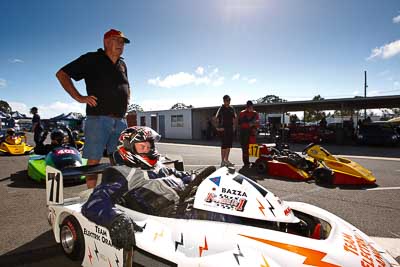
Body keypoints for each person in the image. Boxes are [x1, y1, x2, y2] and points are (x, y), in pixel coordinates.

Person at [81, 126, 217, 250]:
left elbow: (185, 176)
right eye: (142, 147)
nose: (148, 150)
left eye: (149, 146)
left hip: (189, 202)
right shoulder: (121, 173)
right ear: (128, 149)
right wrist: (114, 218)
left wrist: (203, 178)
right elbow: (96, 201)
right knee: (216, 215)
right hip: (168, 218)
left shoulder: (160, 167)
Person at [56, 29, 131, 189]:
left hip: (120, 120)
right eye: (116, 40)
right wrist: (80, 97)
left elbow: (126, 85)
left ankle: (118, 192)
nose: (120, 45)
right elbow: (62, 74)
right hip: (98, 119)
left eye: (122, 42)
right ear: (106, 42)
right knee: (94, 160)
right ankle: (91, 196)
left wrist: (127, 99)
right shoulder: (92, 59)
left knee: (119, 159)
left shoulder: (122, 64)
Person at [213, 95, 237, 167]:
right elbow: (214, 118)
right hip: (223, 130)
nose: (228, 101)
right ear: (224, 101)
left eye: (229, 100)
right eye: (227, 100)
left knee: (229, 146)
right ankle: (222, 161)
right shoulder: (221, 109)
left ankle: (226, 160)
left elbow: (235, 118)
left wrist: (234, 127)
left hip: (230, 129)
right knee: (224, 146)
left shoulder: (232, 108)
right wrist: (217, 127)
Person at [238, 100, 259, 167]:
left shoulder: (255, 113)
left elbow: (257, 123)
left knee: (253, 146)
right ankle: (246, 163)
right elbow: (240, 123)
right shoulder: (242, 113)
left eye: (251, 107)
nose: (250, 108)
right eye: (248, 107)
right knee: (245, 148)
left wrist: (253, 125)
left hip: (252, 132)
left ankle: (254, 162)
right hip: (244, 132)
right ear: (246, 107)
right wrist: (250, 124)